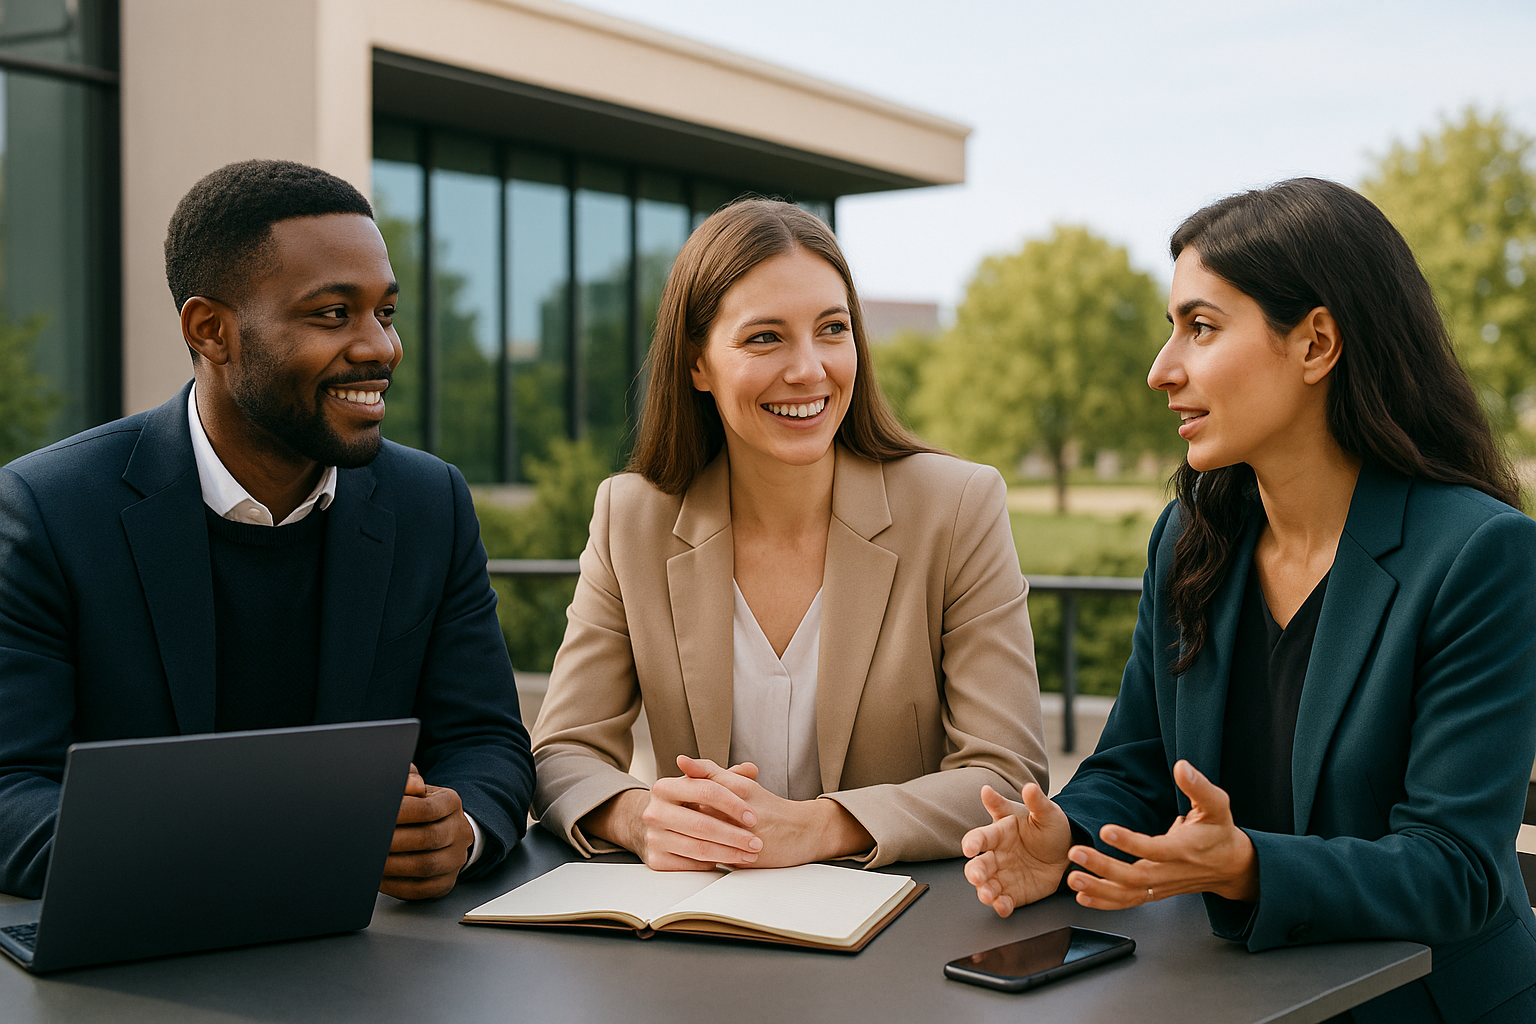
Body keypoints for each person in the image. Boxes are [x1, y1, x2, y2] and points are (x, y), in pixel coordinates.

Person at [962, 178, 1536, 1022]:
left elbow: (1458, 870)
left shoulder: (1480, 554)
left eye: (1200, 327)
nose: (1162, 371)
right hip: (1233, 999)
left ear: (1316, 344)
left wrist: (1247, 867)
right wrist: (1069, 837)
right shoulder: (1191, 537)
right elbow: (1135, 765)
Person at [0, 160, 534, 901]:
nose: (380, 347)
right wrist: (267, 848)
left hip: (381, 972)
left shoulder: (429, 503)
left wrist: (458, 829)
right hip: (139, 977)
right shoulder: (48, 509)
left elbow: (485, 741)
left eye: (386, 312)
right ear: (211, 330)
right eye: (332, 314)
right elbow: (8, 788)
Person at [531, 199, 1046, 870]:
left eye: (832, 329)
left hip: (901, 933)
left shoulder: (957, 507)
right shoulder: (631, 519)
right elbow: (562, 751)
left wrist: (820, 827)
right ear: (696, 365)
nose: (809, 370)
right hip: (703, 932)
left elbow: (1008, 776)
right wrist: (638, 817)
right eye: (765, 337)